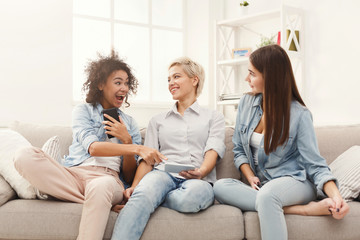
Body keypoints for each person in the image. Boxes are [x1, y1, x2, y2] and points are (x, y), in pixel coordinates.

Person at [14, 50, 165, 240]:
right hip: (74, 174)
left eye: (127, 83)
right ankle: (99, 202)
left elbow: (128, 174)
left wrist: (126, 140)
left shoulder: (130, 123)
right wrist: (136, 147)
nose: (124, 89)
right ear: (101, 84)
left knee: (101, 186)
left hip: (108, 180)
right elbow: (92, 147)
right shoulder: (83, 111)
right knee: (24, 156)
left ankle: (88, 197)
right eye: (118, 82)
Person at [213, 44, 349, 240]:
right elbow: (238, 150)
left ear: (270, 77)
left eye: (252, 74)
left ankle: (282, 204)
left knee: (269, 197)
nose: (246, 79)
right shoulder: (246, 103)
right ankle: (303, 210)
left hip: (294, 181)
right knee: (220, 186)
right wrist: (249, 176)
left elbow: (316, 165)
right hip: (262, 184)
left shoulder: (299, 115)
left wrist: (336, 197)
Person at [111, 57, 226, 240]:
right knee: (143, 194)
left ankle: (154, 199)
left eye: (176, 77)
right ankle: (146, 198)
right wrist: (135, 189)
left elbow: (213, 149)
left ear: (194, 80)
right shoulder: (157, 120)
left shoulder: (213, 117)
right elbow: (147, 159)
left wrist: (201, 171)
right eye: (169, 79)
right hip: (162, 174)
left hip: (197, 179)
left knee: (193, 199)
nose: (171, 83)